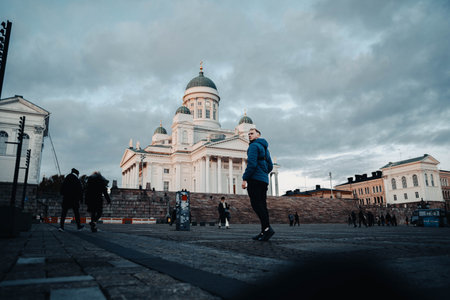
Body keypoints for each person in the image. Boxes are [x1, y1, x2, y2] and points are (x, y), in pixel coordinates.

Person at [242, 128, 274, 241]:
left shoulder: (253, 146)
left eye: (252, 133)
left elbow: (252, 164)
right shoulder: (265, 148)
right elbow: (270, 166)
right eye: (248, 134)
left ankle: (267, 229)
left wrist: (245, 178)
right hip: (264, 180)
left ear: (258, 134)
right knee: (263, 206)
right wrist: (263, 173)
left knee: (257, 205)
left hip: (255, 180)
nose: (249, 135)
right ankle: (264, 231)